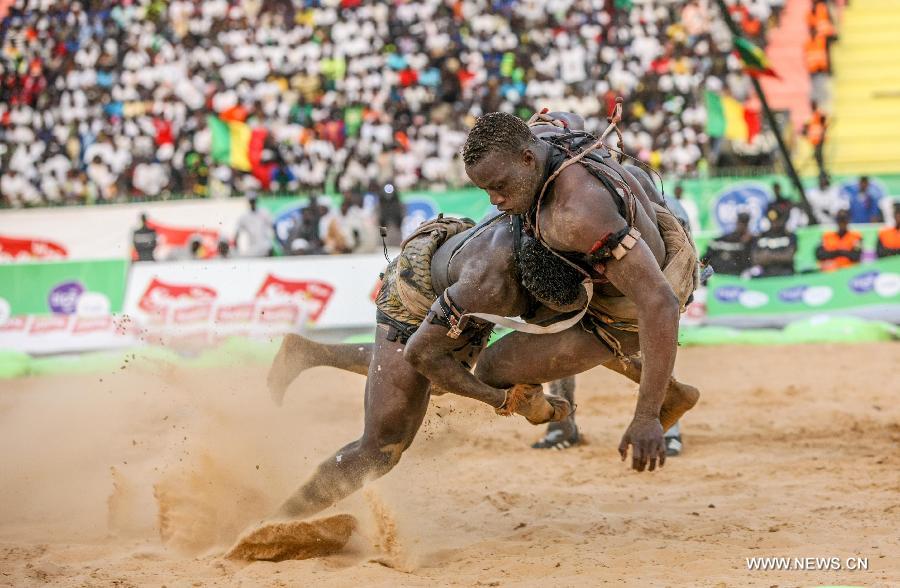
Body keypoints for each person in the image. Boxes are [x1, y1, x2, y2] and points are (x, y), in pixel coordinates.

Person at [458, 111, 700, 472]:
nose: (494, 199)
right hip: (630, 247)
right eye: (486, 190)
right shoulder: (544, 138)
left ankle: (573, 415)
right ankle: (567, 423)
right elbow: (562, 117)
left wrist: (647, 416)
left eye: (500, 186)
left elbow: (659, 303)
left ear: (527, 158)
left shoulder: (578, 214)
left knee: (492, 368)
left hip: (626, 310)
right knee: (544, 295)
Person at [704, 212, 754, 276]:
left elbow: (750, 263)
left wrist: (749, 241)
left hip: (737, 276)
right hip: (717, 275)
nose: (742, 226)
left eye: (745, 224)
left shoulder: (752, 241)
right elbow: (704, 260)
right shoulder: (722, 240)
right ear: (737, 223)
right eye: (740, 223)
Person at [751, 209, 797, 277]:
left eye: (777, 221)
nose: (774, 224)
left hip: (785, 272)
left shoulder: (789, 235)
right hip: (766, 273)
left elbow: (789, 256)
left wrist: (769, 256)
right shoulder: (762, 236)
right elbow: (755, 259)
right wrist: (779, 256)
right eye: (772, 222)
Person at [803, 102, 827, 182]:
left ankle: (822, 173)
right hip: (814, 141)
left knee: (819, 156)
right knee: (817, 157)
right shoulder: (811, 116)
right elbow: (805, 127)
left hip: (819, 140)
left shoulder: (818, 114)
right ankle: (821, 172)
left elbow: (824, 120)